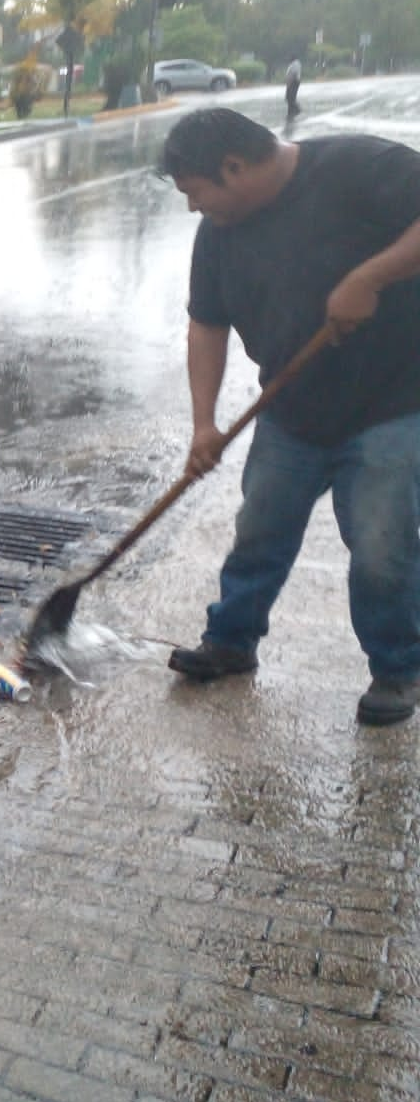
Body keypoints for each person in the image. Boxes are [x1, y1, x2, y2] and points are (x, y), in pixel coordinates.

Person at [159, 108, 420, 725]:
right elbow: (207, 322)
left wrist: (370, 276)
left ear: (234, 167)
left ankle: (397, 669)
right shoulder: (221, 230)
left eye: (195, 192)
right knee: (259, 530)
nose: (194, 209)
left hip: (393, 401)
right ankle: (230, 641)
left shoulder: (359, 168)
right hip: (291, 406)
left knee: (382, 546)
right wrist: (204, 424)